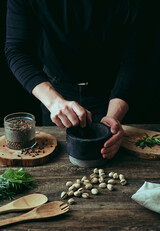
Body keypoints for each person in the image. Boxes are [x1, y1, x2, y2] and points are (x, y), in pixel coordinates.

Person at [5, 0, 142, 160]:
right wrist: (54, 102)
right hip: (55, 92)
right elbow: (16, 50)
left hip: (114, 92)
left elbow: (134, 60)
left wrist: (114, 116)